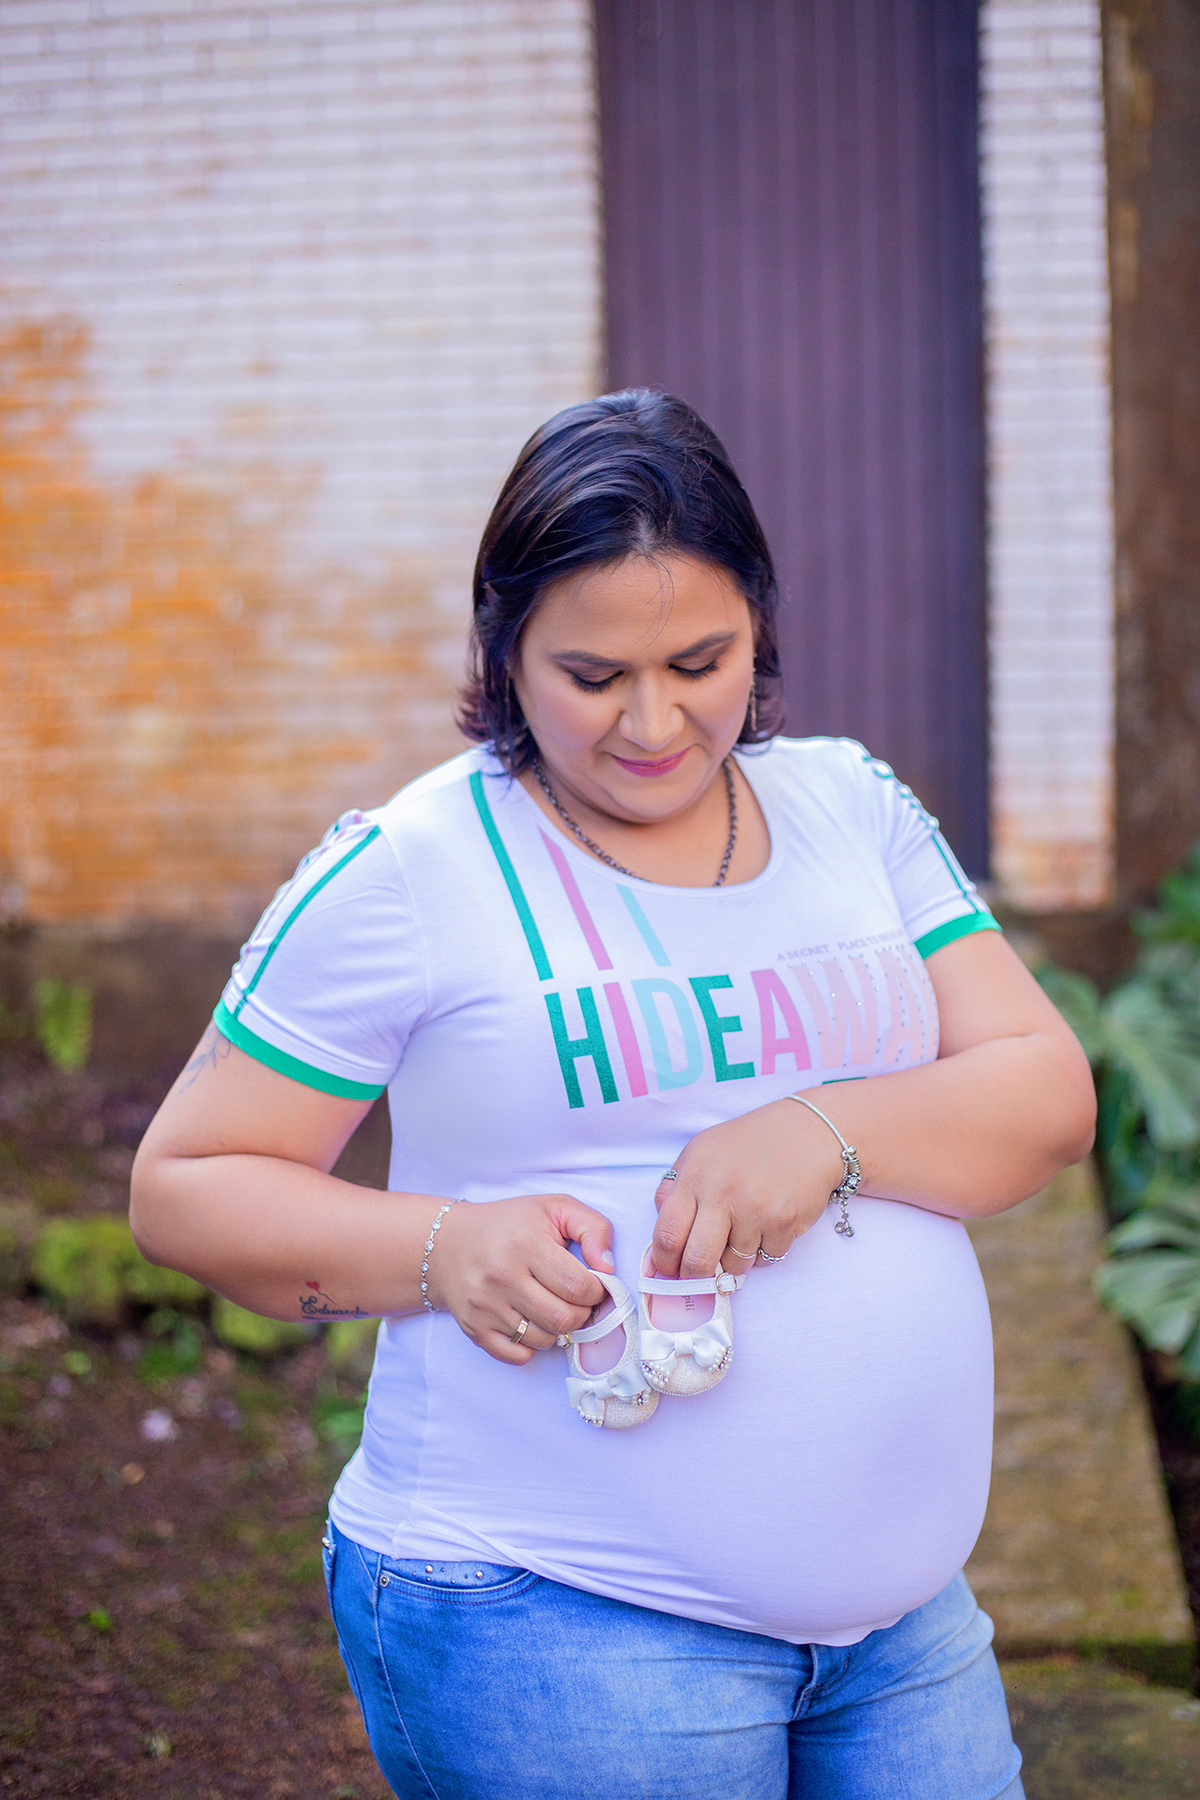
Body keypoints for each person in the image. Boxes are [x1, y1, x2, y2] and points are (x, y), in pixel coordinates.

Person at [131, 390, 1094, 1800]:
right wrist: (444, 1248)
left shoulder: (848, 808)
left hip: (901, 1634)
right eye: (594, 677)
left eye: (701, 660)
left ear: (759, 621)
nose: (656, 722)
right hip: (559, 1618)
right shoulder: (413, 867)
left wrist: (824, 1133)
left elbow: (1044, 1093)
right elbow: (186, 1185)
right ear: (504, 653)